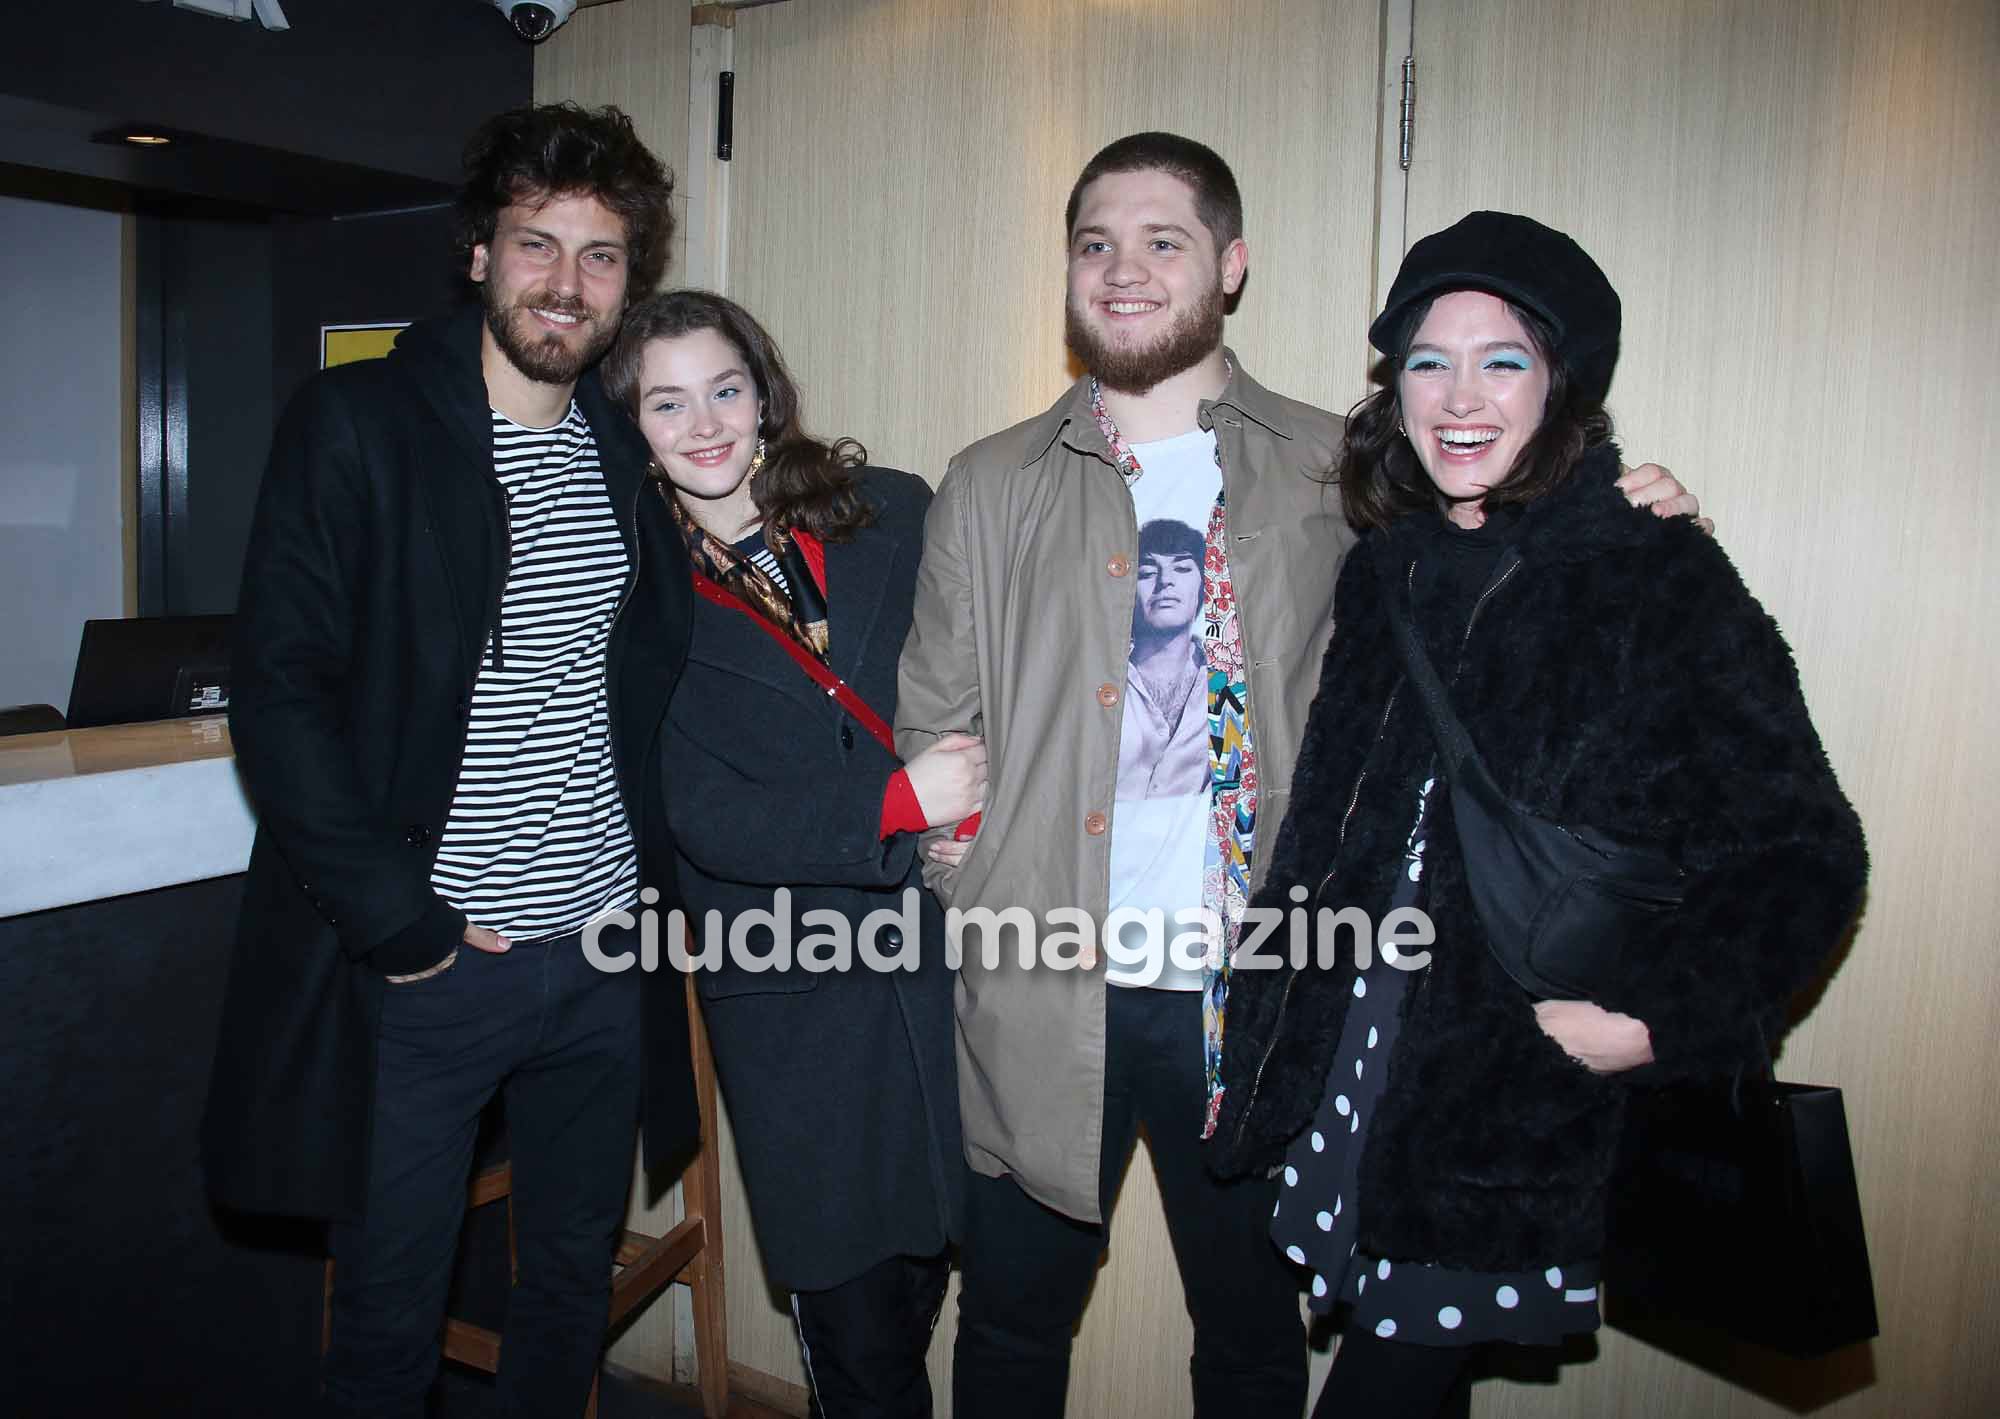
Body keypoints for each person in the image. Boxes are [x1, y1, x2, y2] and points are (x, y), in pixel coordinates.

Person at [894, 135, 1703, 1419]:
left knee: (1253, 1334)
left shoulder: (1349, 468)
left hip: (1259, 991)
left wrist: (1635, 507)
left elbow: (1502, 566)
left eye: (1163, 240)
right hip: (1043, 986)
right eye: (1094, 243)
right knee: (1006, 1325)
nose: (1123, 270)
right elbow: (934, 719)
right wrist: (964, 869)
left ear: (1230, 263)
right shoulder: (990, 484)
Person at [1207, 210, 1868, 1417]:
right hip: (1353, 1055)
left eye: (1500, 359)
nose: (1459, 396)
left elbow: (1802, 849)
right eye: (1426, 360)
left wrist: (1662, 1019)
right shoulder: (1387, 566)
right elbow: (1338, 824)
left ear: (1559, 383)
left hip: (1503, 1086)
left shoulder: (1652, 571)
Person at [200, 104, 693, 1418]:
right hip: (435, 962)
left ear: (626, 280)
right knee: (388, 1317)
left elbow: (639, 677)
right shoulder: (357, 424)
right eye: (538, 243)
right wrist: (402, 921)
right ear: (480, 252)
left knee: (564, 1295)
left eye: (600, 256)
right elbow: (280, 692)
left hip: (593, 948)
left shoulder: (622, 452)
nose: (566, 282)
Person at [601, 290, 981, 1419]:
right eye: (664, 404)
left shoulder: (892, 512)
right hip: (793, 993)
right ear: (630, 427)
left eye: (723, 388)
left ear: (763, 392)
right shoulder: (631, 596)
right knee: (855, 1326)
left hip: (953, 960)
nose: (704, 423)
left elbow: (981, 666)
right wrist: (896, 797)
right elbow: (695, 812)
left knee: (932, 1276)